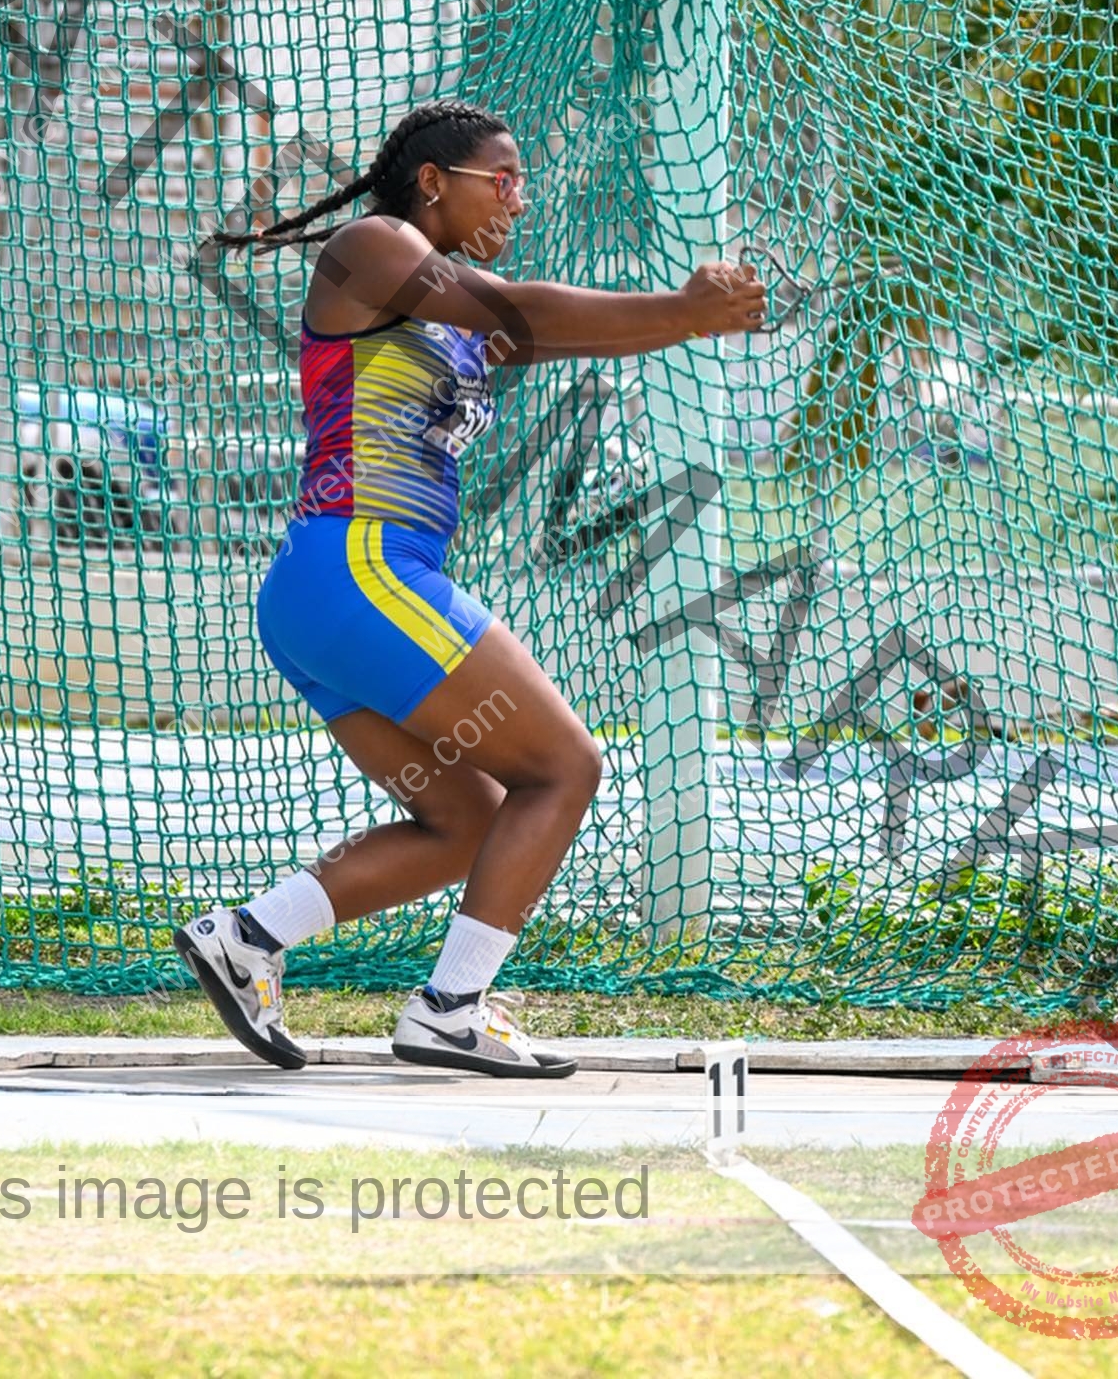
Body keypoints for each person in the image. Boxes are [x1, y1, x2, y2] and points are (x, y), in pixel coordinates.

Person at [175, 100, 767, 1078]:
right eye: (505, 176)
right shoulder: (374, 246)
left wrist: (684, 322)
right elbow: (521, 310)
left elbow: (553, 331)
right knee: (565, 767)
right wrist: (684, 308)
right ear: (433, 181)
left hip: (330, 596)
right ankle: (451, 1008)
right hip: (361, 567)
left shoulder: (444, 316)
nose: (517, 198)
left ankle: (247, 937)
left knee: (472, 821)